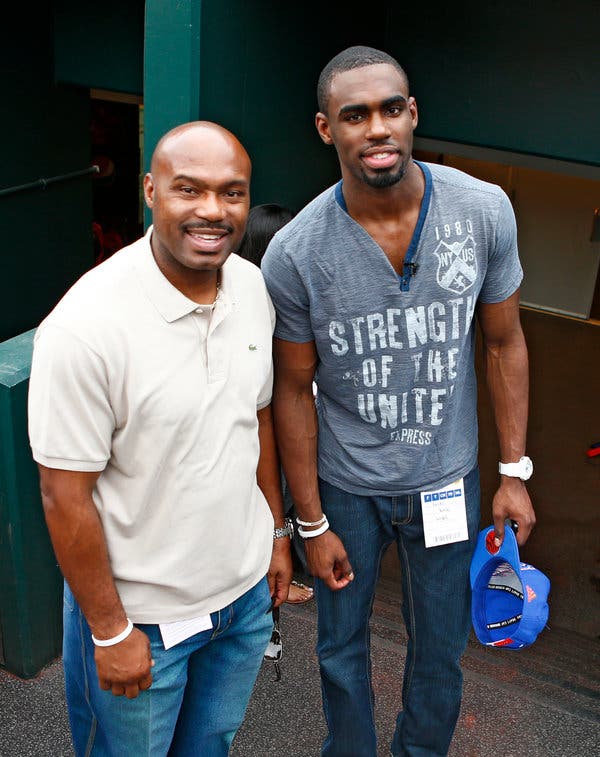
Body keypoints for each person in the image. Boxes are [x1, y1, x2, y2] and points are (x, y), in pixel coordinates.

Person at [261, 46, 536, 756]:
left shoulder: (482, 210)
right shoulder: (295, 252)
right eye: (355, 115)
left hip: (446, 481)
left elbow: (504, 343)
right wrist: (308, 519)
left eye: (390, 109)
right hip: (346, 490)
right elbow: (290, 388)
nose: (376, 128)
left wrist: (515, 471)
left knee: (439, 651)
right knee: (338, 647)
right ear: (327, 129)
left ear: (412, 114)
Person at [28, 121, 293, 756]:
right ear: (150, 191)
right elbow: (65, 497)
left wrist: (277, 535)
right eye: (188, 189)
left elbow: (255, 418)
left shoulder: (252, 287)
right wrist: (112, 632)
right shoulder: (86, 327)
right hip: (143, 619)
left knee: (211, 748)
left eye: (232, 193)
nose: (212, 211)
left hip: (242, 603)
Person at [238, 203, 313, 605]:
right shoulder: (254, 305)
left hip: (282, 423)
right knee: (271, 501)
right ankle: (268, 586)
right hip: (266, 430)